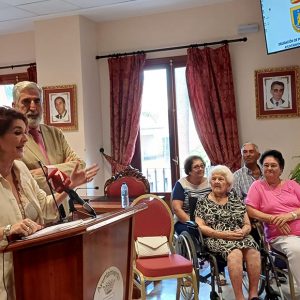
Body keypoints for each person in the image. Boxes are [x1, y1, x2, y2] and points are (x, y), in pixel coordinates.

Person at [0, 106, 98, 300]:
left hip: (29, 274)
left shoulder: (21, 169)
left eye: (26, 133)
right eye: (17, 133)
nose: (25, 140)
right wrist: (7, 230)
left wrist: (68, 187)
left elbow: (44, 208)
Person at [12, 81, 87, 214]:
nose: (33, 107)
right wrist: (64, 169)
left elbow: (80, 165)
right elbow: (21, 181)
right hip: (36, 217)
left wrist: (46, 171)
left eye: (37, 101)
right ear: (14, 106)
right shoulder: (12, 139)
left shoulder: (55, 133)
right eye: (26, 102)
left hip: (65, 212)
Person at [195, 165, 261, 300]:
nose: (217, 181)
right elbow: (200, 226)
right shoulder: (203, 201)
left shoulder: (235, 198)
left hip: (239, 235)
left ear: (229, 184)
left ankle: (253, 294)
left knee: (254, 252)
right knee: (235, 253)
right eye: (214, 179)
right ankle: (239, 297)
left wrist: (243, 231)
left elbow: (247, 224)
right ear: (210, 182)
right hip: (216, 237)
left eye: (221, 179)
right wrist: (221, 234)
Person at [246, 149, 300, 296]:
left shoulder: (292, 185)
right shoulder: (257, 186)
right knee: (297, 249)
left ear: (281, 169)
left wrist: (290, 215)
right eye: (266, 165)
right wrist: (273, 218)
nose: (269, 168)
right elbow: (250, 210)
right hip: (281, 236)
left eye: (273, 165)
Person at [172, 155, 210, 235]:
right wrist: (193, 223)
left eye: (202, 166)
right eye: (196, 167)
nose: (200, 169)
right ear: (189, 171)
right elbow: (177, 209)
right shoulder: (181, 184)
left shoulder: (210, 182)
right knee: (195, 233)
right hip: (185, 221)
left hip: (207, 219)